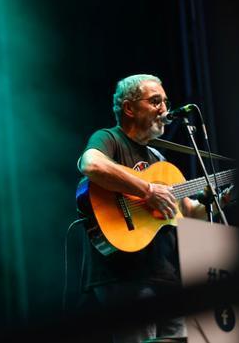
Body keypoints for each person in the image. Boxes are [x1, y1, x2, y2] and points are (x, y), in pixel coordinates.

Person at [77, 74, 207, 342]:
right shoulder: (109, 139)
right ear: (129, 108)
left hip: (166, 274)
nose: (165, 109)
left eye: (166, 102)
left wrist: (225, 197)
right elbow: (90, 165)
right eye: (155, 101)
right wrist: (147, 190)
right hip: (124, 272)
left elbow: (189, 212)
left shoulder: (158, 158)